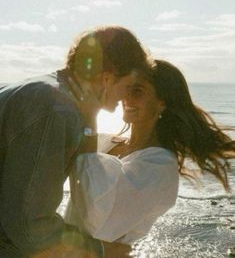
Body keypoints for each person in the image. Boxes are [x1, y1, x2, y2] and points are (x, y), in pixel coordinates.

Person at [0, 25, 150, 257]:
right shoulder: (55, 109)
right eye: (128, 87)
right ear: (107, 79)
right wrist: (100, 250)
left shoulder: (47, 92)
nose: (126, 98)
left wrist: (92, 119)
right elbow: (29, 228)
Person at [64, 59, 235, 257]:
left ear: (162, 103)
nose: (125, 98)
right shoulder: (109, 141)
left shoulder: (160, 166)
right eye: (126, 88)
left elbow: (94, 205)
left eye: (137, 91)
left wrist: (89, 115)